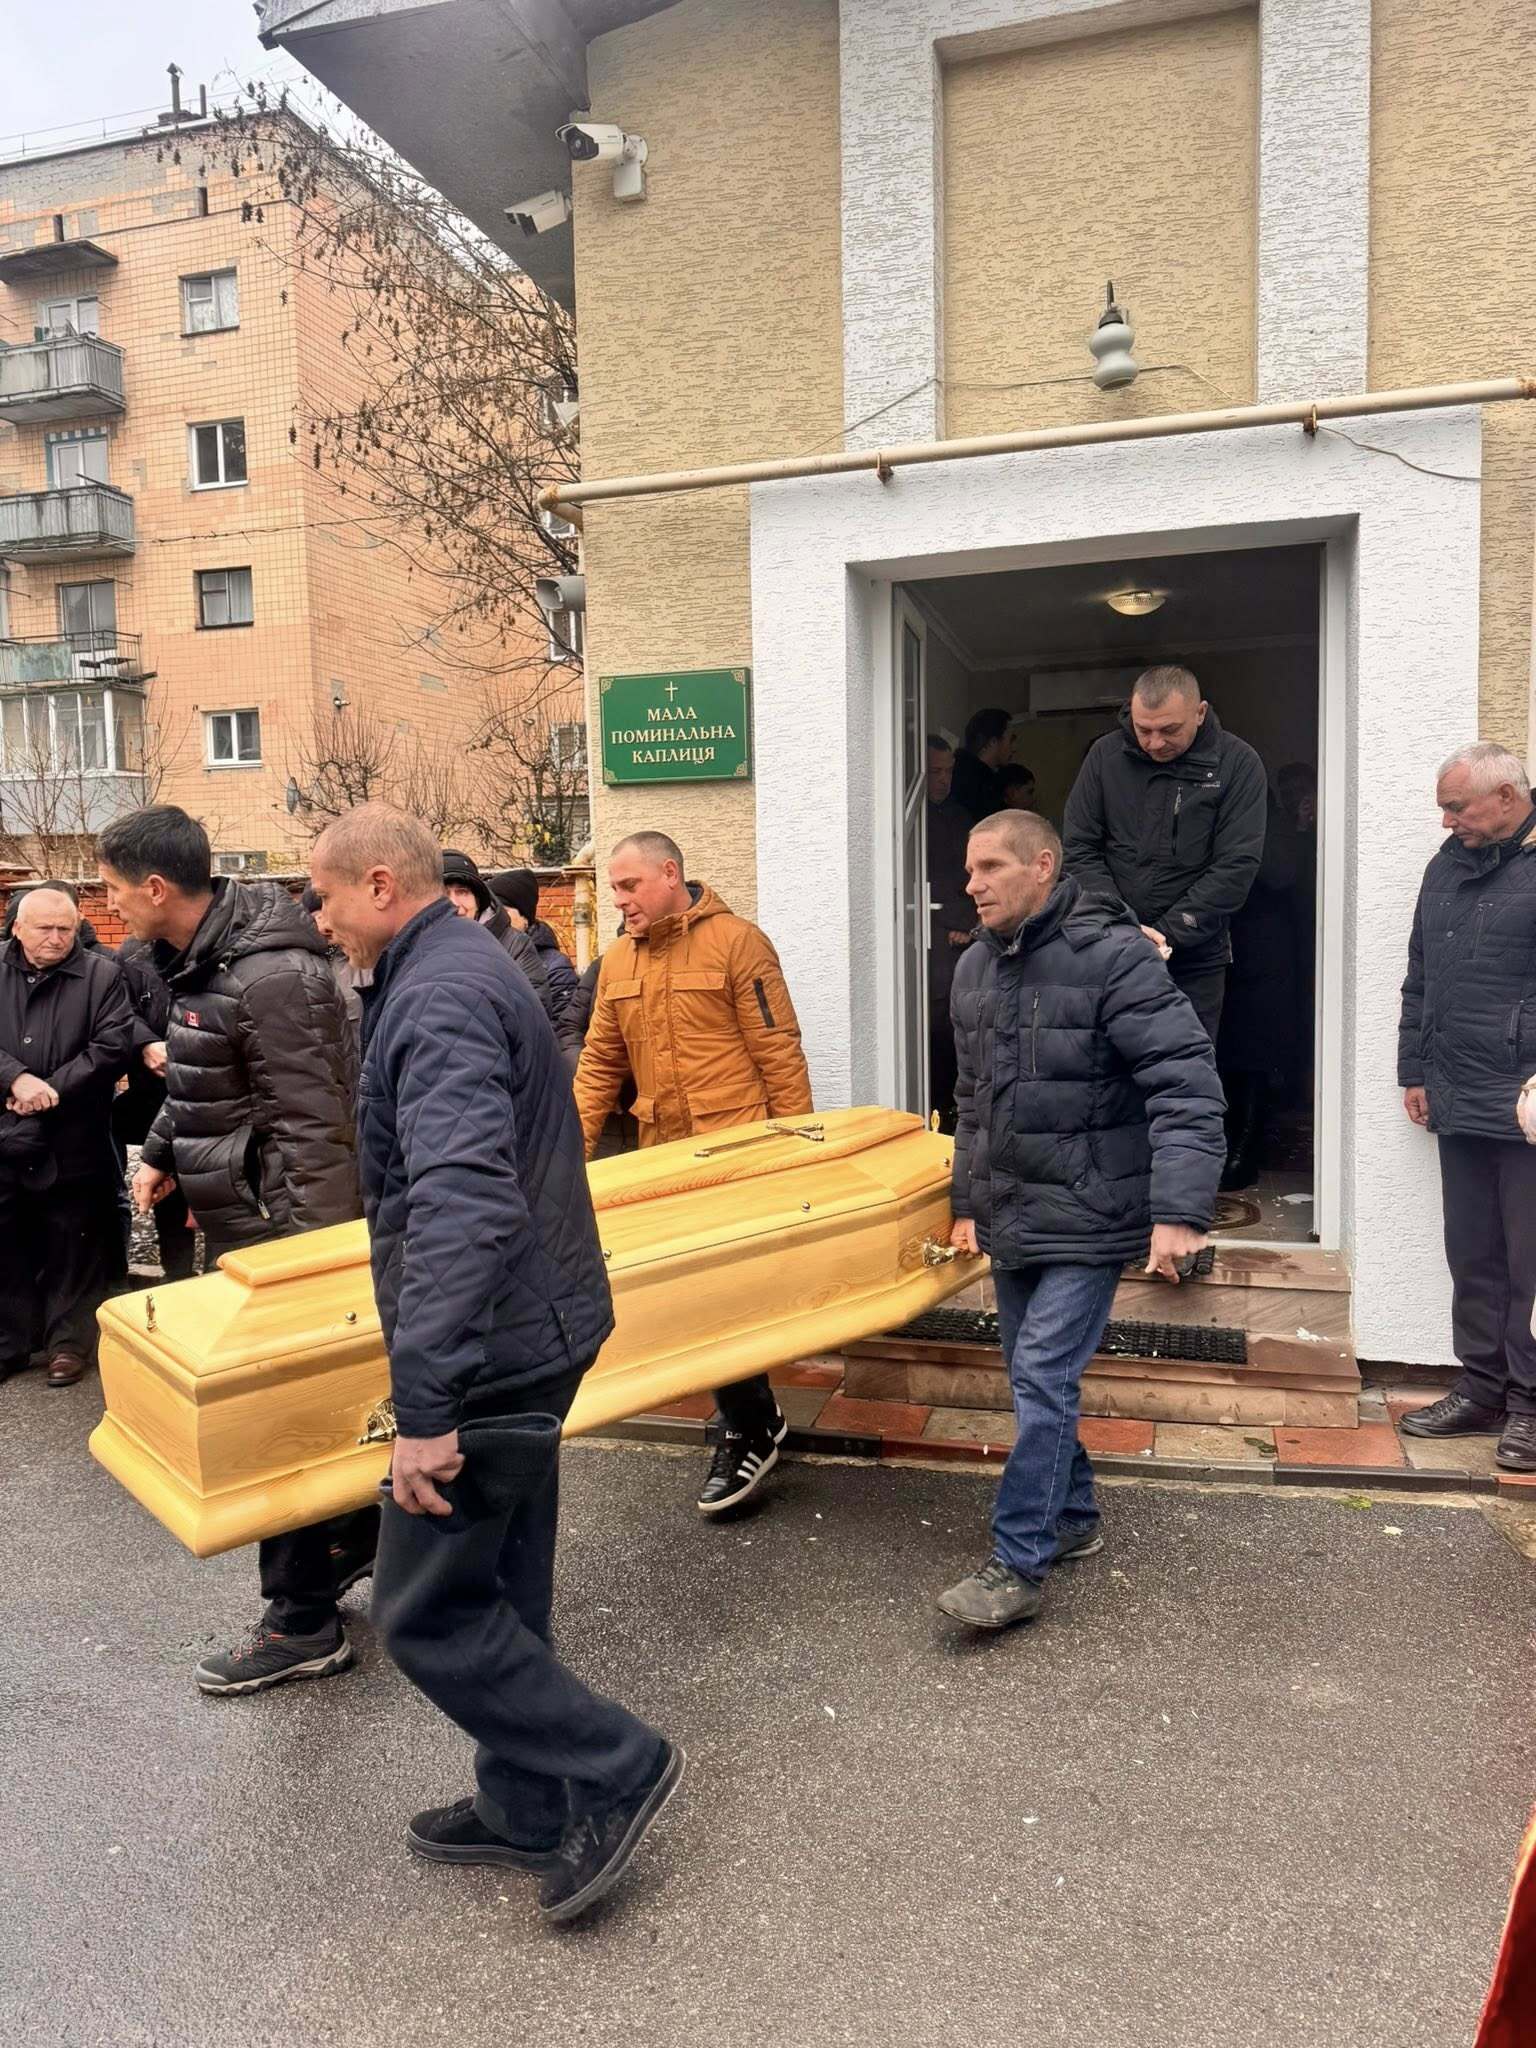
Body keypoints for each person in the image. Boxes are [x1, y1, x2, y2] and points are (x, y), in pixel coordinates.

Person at [308, 804, 683, 1926]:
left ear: (381, 885)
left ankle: (617, 1765)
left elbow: (462, 1204)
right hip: (532, 1324)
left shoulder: (439, 995)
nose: (319, 921)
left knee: (422, 1609)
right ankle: (525, 1805)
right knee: (503, 1582)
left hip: (497, 1349)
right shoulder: (454, 968)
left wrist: (426, 1407)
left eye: (324, 898)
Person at [98, 806, 377, 1692]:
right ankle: (349, 1546)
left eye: (112, 889)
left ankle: (302, 1622)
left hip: (280, 1239)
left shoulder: (272, 977)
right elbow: (207, 1078)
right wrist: (164, 1151)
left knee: (274, 1425)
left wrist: (309, 1271)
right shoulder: (205, 961)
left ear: (155, 888)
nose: (110, 907)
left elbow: (316, 1130)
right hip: (245, 1221)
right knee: (299, 1421)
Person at [939, 809, 1225, 1631]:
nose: (972, 884)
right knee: (1037, 1379)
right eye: (970, 869)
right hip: (1013, 1212)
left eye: (991, 867)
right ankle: (1074, 1517)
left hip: (1093, 1212)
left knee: (1040, 1374)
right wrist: (965, 1202)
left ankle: (1017, 1561)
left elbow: (1184, 1080)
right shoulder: (974, 968)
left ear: (1042, 867)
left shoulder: (1116, 956)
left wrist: (1179, 1210)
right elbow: (971, 1101)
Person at [574, 831, 810, 1513]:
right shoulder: (617, 962)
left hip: (737, 1154)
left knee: (724, 1299)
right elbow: (597, 1068)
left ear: (670, 874)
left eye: (629, 886)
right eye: (614, 889)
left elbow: (780, 1053)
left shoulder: (739, 944)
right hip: (665, 1157)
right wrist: (563, 1160)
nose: (619, 900)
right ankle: (757, 1418)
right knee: (701, 1299)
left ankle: (747, 1428)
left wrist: (797, 1157)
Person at [1396, 742, 1536, 1473]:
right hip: (1456, 1092)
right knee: (1474, 1254)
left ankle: (1531, 1407)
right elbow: (1419, 975)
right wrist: (1414, 1070)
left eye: (1457, 807)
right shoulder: (1445, 868)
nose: (1447, 821)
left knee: (1531, 1265)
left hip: (1526, 1104)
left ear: (1507, 797)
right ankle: (1482, 1390)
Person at [1062, 665, 1268, 1043]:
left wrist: (1166, 934)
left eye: (1169, 730)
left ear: (1200, 713)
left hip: (1195, 962)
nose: (1154, 743)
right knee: (1106, 1067)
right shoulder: (1105, 756)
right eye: (1144, 730)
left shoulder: (1238, 763)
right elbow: (1079, 847)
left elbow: (1236, 865)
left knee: (1186, 1067)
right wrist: (1122, 925)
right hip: (1110, 950)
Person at [0, 885, 134, 1386]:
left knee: (73, 1240)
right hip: (4, 1126)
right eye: (45, 928)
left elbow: (112, 1046)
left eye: (66, 929)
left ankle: (69, 1344)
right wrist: (15, 1078)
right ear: (18, 927)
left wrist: (50, 1090)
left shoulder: (102, 974)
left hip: (73, 1129)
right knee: (6, 1240)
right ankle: (11, 1342)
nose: (57, 938)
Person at [113, 936, 197, 1282]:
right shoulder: (131, 954)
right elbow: (119, 1010)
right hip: (154, 1092)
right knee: (167, 1189)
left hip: (211, 1090)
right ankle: (177, 1276)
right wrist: (145, 1043)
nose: (114, 910)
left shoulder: (218, 944)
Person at [440, 848, 559, 1025]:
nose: (455, 904)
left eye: (463, 892)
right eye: (444, 893)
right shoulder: (416, 944)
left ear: (478, 900)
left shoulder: (514, 945)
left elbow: (534, 1012)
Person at [925, 735, 974, 1131]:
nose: (944, 779)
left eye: (949, 771)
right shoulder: (909, 818)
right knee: (935, 1033)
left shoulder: (961, 817)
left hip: (961, 936)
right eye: (935, 772)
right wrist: (952, 924)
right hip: (928, 941)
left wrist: (970, 924)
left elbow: (973, 878)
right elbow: (919, 887)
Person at [489, 869, 580, 1023]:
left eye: (503, 911)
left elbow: (562, 1026)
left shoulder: (554, 966)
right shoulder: (485, 954)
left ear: (525, 918)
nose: (496, 917)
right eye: (491, 911)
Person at [950, 707, 1014, 824]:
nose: (1013, 748)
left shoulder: (966, 774)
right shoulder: (975, 784)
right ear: (993, 742)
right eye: (1010, 740)